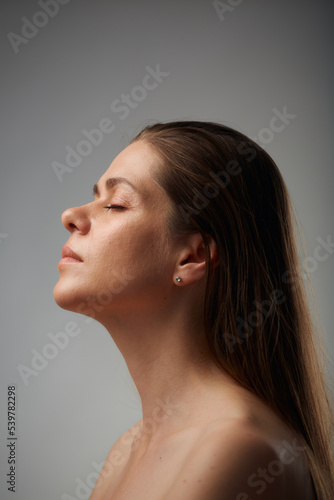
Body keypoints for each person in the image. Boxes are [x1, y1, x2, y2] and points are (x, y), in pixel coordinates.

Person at [53, 121, 334, 499]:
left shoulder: (235, 447)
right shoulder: (125, 450)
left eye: (115, 204)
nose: (70, 214)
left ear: (192, 257)